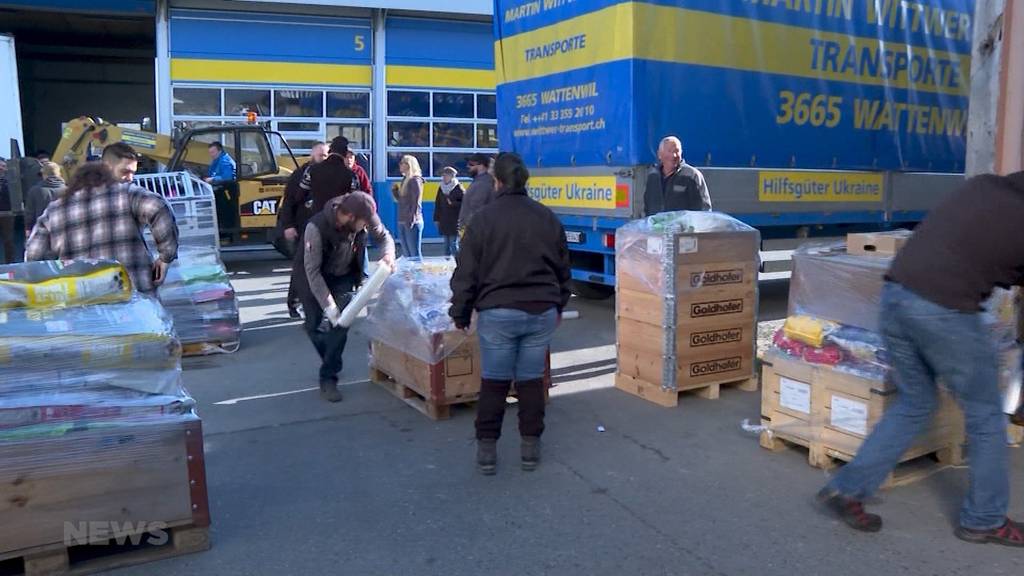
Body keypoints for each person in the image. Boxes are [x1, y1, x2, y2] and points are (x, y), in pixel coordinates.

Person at [816, 171, 1024, 546]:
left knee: (916, 400)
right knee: (986, 414)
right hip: (944, 309)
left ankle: (848, 488)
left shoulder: (983, 185)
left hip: (895, 296)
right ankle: (985, 519)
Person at [450, 152, 571, 475]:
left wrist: (460, 313)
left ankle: (487, 452)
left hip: (498, 312)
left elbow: (466, 273)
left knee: (495, 383)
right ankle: (530, 448)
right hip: (540, 310)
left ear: (497, 181)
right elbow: (562, 267)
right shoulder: (546, 217)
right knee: (532, 382)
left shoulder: (483, 220)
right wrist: (559, 303)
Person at [292, 191, 395, 403]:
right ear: (349, 216)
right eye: (364, 223)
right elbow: (313, 272)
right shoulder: (316, 227)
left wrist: (388, 254)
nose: (367, 226)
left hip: (344, 278)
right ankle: (331, 358)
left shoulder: (363, 216)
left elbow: (385, 237)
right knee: (315, 327)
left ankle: (328, 377)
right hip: (314, 277)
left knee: (341, 325)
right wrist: (329, 306)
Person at [25, 161, 178, 293]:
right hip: (134, 295)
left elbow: (32, 254)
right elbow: (158, 207)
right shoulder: (127, 194)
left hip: (84, 301)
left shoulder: (55, 210)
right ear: (108, 178)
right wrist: (165, 258)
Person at [279, 141, 328, 318]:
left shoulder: (329, 174)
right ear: (312, 156)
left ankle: (320, 305)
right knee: (301, 267)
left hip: (324, 228)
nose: (324, 158)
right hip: (303, 227)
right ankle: (294, 303)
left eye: (326, 155)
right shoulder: (300, 174)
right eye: (320, 155)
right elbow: (289, 201)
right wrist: (288, 225)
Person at [643, 136, 711, 216]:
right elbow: (647, 208)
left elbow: (704, 210)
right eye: (670, 151)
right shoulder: (653, 176)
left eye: (677, 151)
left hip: (683, 228)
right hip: (657, 228)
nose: (674, 155)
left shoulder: (692, 175)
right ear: (659, 154)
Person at [301, 136, 354, 214]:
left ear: (330, 151)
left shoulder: (311, 170)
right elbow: (355, 199)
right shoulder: (351, 175)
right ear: (345, 153)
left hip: (317, 218)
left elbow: (300, 194)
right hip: (339, 219)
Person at [392, 155, 424, 258]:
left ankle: (418, 274)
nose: (400, 165)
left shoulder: (415, 180)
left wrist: (411, 219)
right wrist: (396, 192)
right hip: (402, 219)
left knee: (414, 254)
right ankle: (409, 274)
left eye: (403, 163)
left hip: (412, 221)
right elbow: (403, 201)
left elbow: (416, 202)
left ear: (409, 165)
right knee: (406, 254)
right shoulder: (405, 179)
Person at [457, 153, 495, 232]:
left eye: (471, 164)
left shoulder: (483, 183)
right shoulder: (479, 181)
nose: (468, 166)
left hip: (476, 232)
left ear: (481, 166)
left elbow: (476, 209)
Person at [25, 161, 65, 233]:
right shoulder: (68, 190)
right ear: (59, 174)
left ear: (44, 174)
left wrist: (28, 229)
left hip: (42, 231)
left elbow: (29, 214)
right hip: (63, 229)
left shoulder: (34, 191)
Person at [433, 166, 463, 256]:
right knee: (446, 245)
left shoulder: (458, 188)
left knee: (453, 244)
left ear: (452, 176)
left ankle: (457, 263)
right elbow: (437, 204)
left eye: (446, 175)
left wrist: (453, 203)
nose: (444, 177)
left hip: (454, 220)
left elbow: (464, 203)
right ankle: (446, 264)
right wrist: (436, 218)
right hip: (444, 220)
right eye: (443, 175)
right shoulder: (441, 188)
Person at [0, 157, 15, 264]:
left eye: (4, 166)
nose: (1, 168)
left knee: (8, 240)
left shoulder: (12, 181)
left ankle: (10, 263)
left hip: (7, 214)